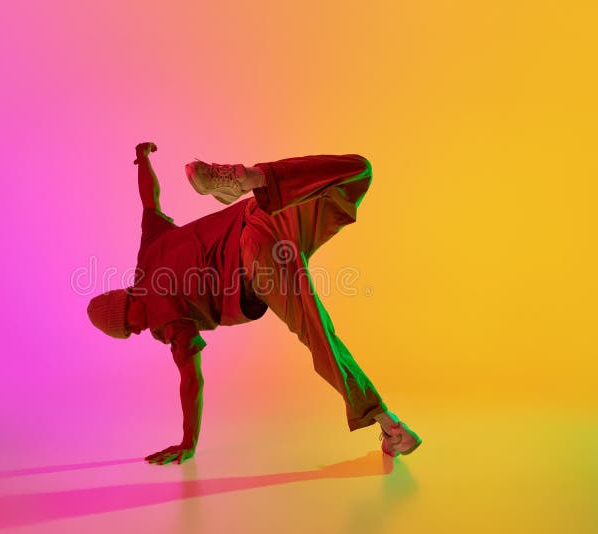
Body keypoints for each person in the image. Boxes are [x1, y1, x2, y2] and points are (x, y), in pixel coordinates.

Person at [87, 142, 421, 465]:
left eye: (129, 327)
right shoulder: (149, 251)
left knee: (318, 335)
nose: (139, 330)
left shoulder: (165, 318)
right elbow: (149, 200)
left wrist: (188, 442)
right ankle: (255, 178)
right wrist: (142, 159)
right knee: (355, 174)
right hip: (264, 213)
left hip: (258, 263)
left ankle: (390, 426)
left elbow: (192, 380)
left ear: (127, 307)